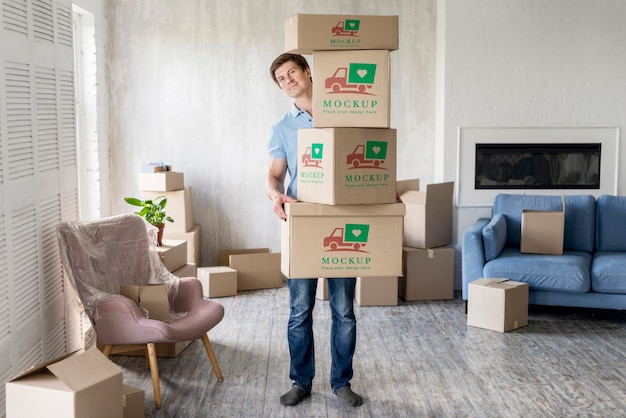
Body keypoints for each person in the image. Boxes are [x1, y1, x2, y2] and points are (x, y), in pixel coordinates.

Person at [265, 53, 363, 408]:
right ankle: (301, 381)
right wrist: (276, 195)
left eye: (291, 72)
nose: (287, 80)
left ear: (307, 72)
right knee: (299, 311)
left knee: (344, 311)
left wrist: (379, 187)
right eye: (281, 78)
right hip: (304, 223)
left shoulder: (344, 113)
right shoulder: (283, 128)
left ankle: (341, 383)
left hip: (342, 219)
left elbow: (365, 154)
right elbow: (274, 176)